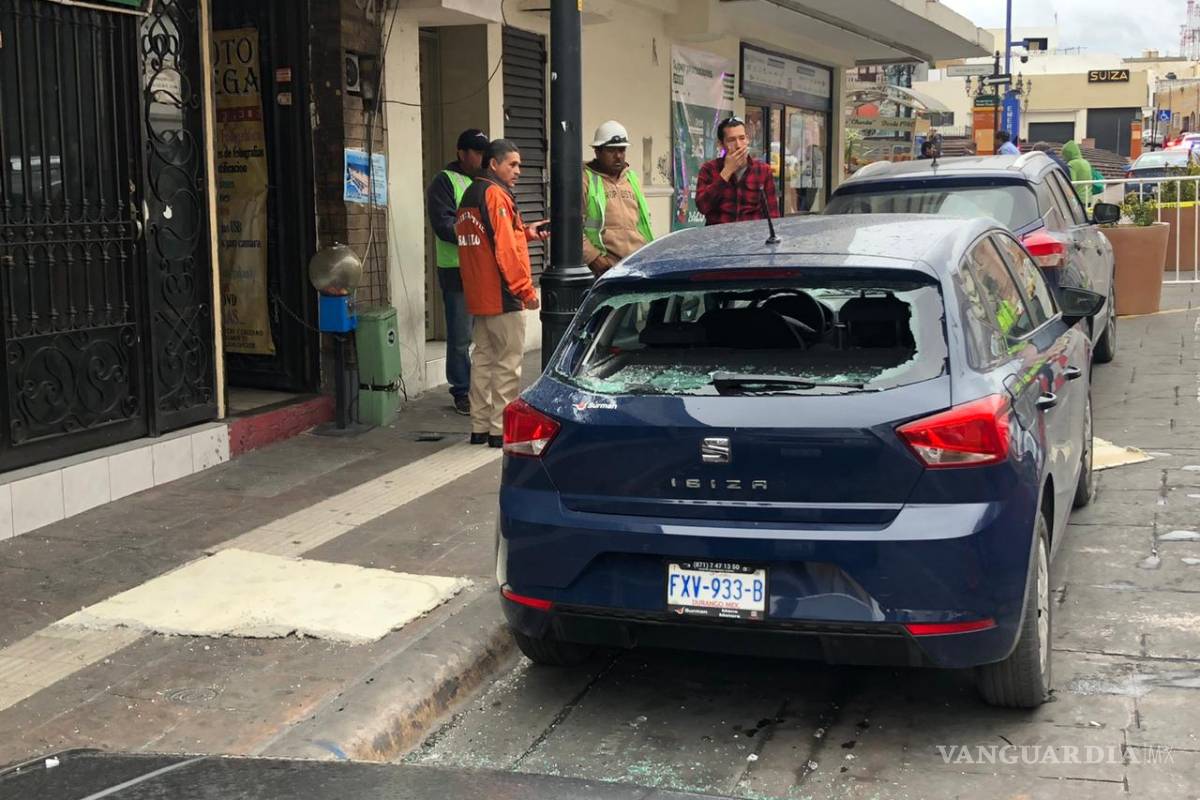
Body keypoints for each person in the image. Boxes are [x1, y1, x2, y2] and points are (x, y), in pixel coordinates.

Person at [454, 139, 547, 447]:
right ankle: (499, 431)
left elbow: (489, 242)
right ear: (493, 164)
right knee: (507, 365)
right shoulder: (496, 196)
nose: (519, 171)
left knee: (481, 362)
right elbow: (505, 250)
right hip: (504, 295)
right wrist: (524, 290)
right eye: (513, 164)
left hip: (479, 295)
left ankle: (479, 427)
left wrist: (528, 233)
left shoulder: (470, 194)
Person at [425, 128, 489, 416]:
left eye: (484, 151)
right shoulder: (445, 181)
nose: (481, 156)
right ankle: (462, 390)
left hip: (485, 270)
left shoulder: (488, 182)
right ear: (461, 153)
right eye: (476, 151)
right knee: (461, 336)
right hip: (457, 270)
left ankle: (480, 388)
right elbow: (443, 224)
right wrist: (479, 236)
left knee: (486, 335)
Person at [582, 120, 654, 277]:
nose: (618, 156)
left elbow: (642, 223)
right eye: (611, 151)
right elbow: (571, 228)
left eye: (622, 150)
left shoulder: (632, 179)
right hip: (605, 269)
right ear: (597, 151)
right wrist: (594, 258)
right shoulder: (585, 180)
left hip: (637, 264)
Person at [694, 116, 780, 225]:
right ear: (721, 144)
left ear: (748, 140)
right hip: (718, 237)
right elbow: (702, 207)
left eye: (742, 138)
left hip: (752, 237)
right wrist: (727, 171)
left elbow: (773, 214)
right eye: (731, 140)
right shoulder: (709, 169)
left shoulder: (763, 171)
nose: (738, 145)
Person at [1062, 140, 1096, 205]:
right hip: (1088, 197)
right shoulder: (1086, 162)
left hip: (1078, 199)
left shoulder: (1072, 164)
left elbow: (1073, 182)